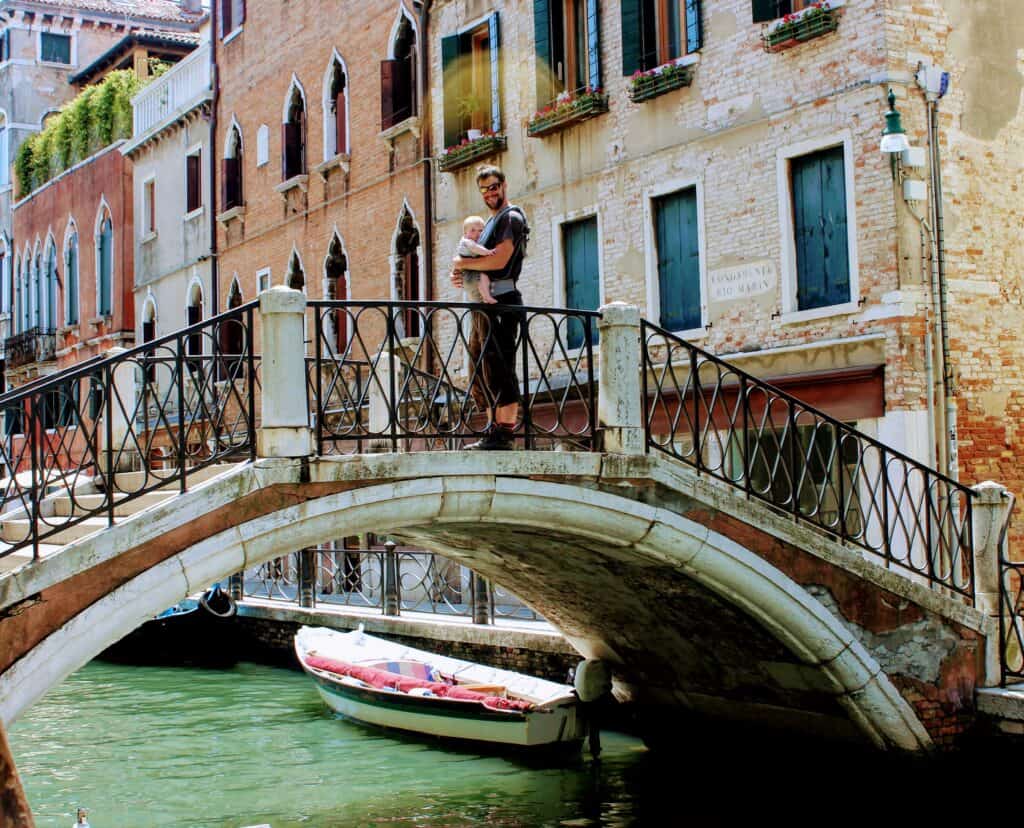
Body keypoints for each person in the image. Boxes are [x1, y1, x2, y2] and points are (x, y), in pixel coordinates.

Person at [450, 165, 528, 451]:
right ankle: (492, 428)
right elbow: (475, 262)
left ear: (504, 185)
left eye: (494, 186)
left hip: (502, 303)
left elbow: (500, 261)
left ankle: (504, 434)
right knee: (479, 368)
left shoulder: (512, 218)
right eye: (484, 189)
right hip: (481, 307)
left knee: (499, 366)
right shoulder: (490, 223)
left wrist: (463, 264)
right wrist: (460, 274)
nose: (490, 193)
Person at [456, 216, 497, 304]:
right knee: (483, 277)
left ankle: (483, 298)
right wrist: (488, 252)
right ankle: (486, 297)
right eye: (473, 230)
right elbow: (475, 248)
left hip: (469, 275)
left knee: (479, 289)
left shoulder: (470, 241)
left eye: (481, 230)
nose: (477, 233)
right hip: (468, 274)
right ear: (465, 233)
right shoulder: (467, 241)